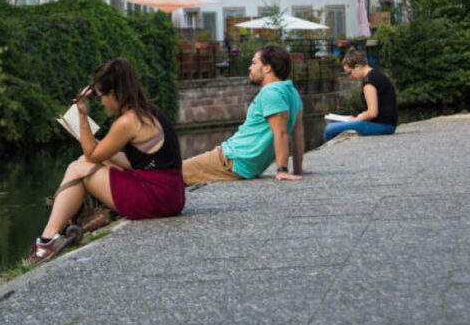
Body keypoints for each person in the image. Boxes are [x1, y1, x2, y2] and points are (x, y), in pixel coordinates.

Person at [25, 58, 185, 265]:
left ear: (115, 93)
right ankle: (52, 236)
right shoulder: (149, 112)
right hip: (170, 193)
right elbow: (135, 162)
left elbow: (92, 155)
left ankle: (46, 241)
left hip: (157, 198)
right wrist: (104, 152)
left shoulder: (127, 121)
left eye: (102, 96)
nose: (101, 102)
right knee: (85, 161)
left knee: (78, 167)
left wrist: (82, 116)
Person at [182, 45, 305, 184]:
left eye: (254, 63)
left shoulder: (270, 93)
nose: (250, 67)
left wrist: (282, 170)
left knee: (175, 173)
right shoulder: (292, 92)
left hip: (232, 160)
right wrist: (298, 168)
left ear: (267, 68)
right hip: (240, 162)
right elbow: (298, 132)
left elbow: (281, 132)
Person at [323, 49, 398, 141]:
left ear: (357, 67)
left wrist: (356, 119)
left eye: (350, 73)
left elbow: (372, 113)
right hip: (386, 124)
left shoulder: (369, 82)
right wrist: (356, 118)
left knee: (329, 129)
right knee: (333, 127)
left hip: (383, 126)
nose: (350, 77)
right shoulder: (374, 75)